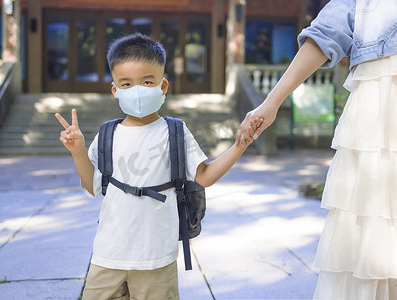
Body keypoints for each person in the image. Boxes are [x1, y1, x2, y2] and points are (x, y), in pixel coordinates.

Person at [55, 33, 261, 300]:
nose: (137, 90)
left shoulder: (175, 131)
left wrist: (238, 147)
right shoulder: (108, 134)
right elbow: (92, 187)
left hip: (156, 258)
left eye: (147, 81)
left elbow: (205, 176)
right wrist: (78, 151)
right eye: (126, 84)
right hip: (108, 254)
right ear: (115, 90)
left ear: (163, 86)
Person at [237, 0, 397, 299]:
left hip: (378, 109)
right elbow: (325, 35)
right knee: (371, 240)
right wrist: (272, 101)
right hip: (380, 116)